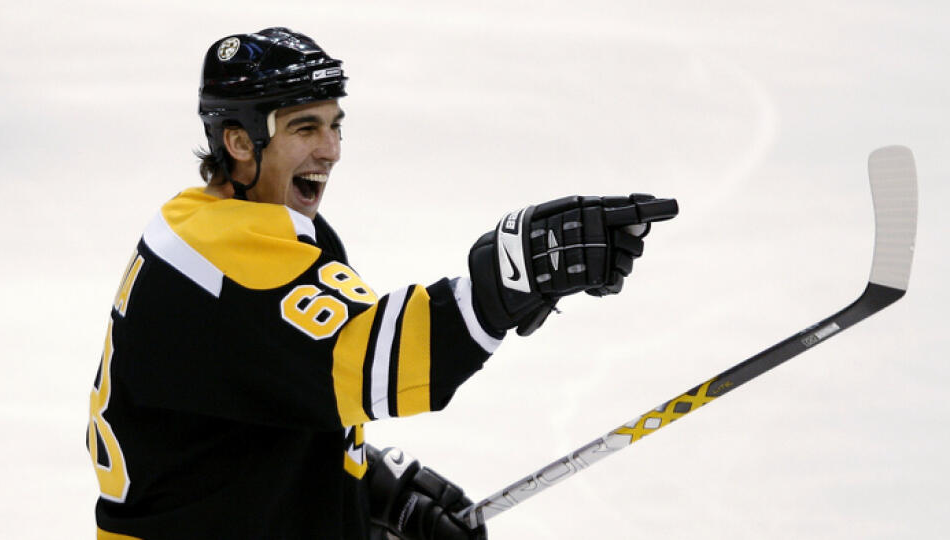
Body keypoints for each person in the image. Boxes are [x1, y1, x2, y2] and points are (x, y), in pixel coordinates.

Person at [86, 27, 677, 540]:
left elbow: (280, 394)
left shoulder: (237, 226)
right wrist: (508, 277)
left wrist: (371, 486)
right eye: (305, 127)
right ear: (239, 143)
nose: (332, 149)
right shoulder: (225, 259)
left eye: (335, 125)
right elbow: (375, 361)